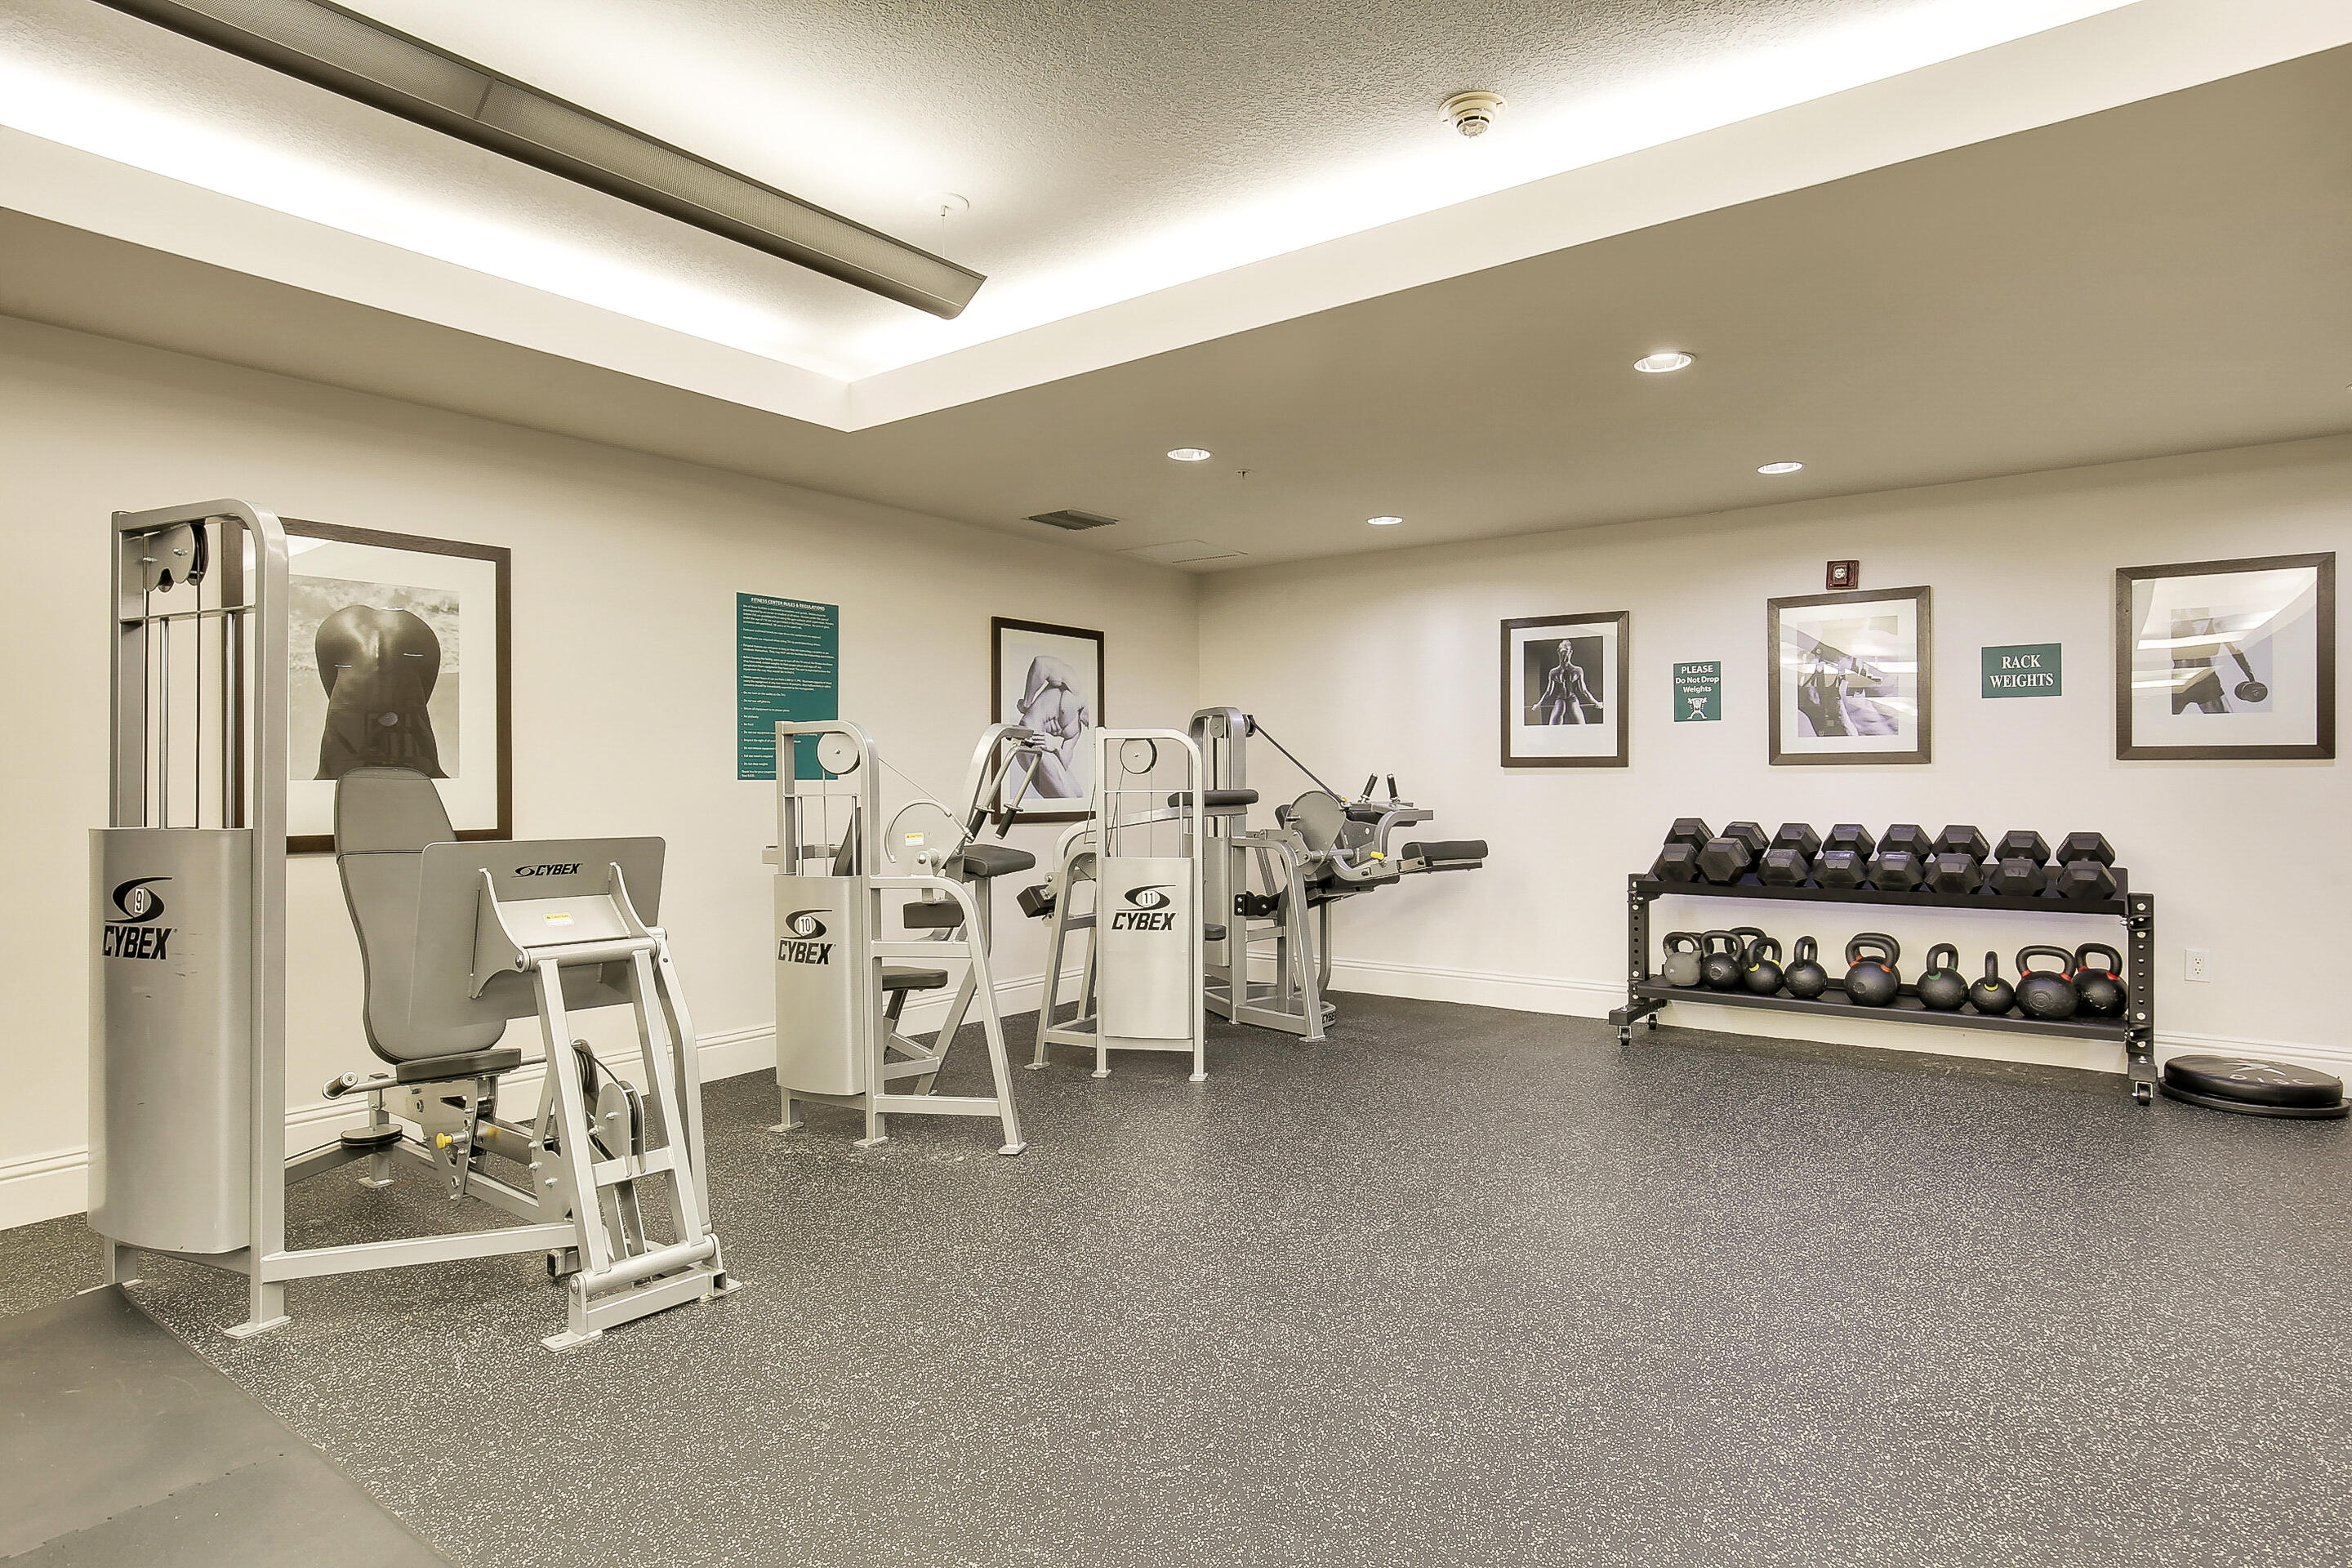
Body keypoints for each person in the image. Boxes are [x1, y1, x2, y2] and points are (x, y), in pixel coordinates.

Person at [314, 604, 446, 779]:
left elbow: (335, 698)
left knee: (334, 772)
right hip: (414, 629)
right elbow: (421, 700)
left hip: (340, 627)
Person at [1013, 653, 1089, 798]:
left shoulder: (1076, 731)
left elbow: (1065, 760)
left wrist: (1054, 746)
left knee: (1078, 794)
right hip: (1030, 735)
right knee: (1068, 798)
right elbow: (1041, 663)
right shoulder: (1075, 688)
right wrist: (1027, 702)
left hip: (1041, 747)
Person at [2167, 608, 2261, 714]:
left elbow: (2236, 651)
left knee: (2227, 722)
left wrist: (2250, 676)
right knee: (2163, 721)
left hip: (2206, 683)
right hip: (2180, 684)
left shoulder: (2216, 625)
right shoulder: (2173, 625)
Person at [1532, 640, 1599, 725]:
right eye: (1562, 651)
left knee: (1581, 726)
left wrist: (1595, 702)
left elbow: (1584, 691)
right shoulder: (1554, 672)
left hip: (1572, 699)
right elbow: (1548, 692)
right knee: (1553, 727)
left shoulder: (1577, 670)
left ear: (1571, 652)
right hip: (1560, 699)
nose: (1564, 655)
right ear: (1558, 652)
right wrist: (1538, 704)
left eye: (1566, 651)